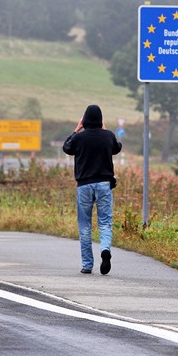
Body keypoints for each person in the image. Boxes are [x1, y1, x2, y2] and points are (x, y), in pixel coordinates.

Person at [62, 105, 122, 275]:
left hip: (84, 185)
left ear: (85, 120)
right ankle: (105, 250)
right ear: (101, 120)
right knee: (104, 223)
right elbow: (117, 147)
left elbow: (67, 148)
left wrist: (77, 129)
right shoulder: (108, 136)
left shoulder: (79, 138)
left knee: (85, 225)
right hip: (104, 184)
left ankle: (87, 265)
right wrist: (105, 129)